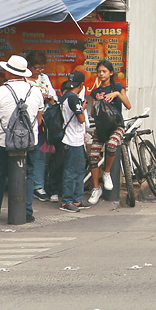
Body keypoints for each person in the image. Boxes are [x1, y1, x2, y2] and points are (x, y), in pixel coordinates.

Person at [0, 55, 43, 223]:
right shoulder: (36, 90)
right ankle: (27, 211)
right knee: (29, 173)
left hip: (3, 142)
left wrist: (9, 136)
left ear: (8, 72)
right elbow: (39, 120)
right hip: (30, 142)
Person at [86, 60, 129, 206]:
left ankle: (107, 173)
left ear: (111, 73)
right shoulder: (95, 92)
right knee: (93, 156)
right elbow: (92, 113)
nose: (101, 74)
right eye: (99, 72)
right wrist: (98, 102)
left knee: (111, 146)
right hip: (101, 128)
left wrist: (117, 94)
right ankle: (96, 188)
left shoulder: (118, 87)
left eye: (104, 71)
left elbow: (128, 105)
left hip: (117, 125)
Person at [23, 50, 58, 202]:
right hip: (27, 123)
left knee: (41, 154)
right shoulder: (24, 80)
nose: (40, 71)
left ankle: (38, 185)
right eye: (37, 68)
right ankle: (26, 184)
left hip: (44, 123)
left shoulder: (44, 78)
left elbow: (54, 96)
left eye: (42, 68)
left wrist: (49, 98)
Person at [55, 71, 88, 213]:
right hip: (72, 139)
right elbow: (81, 119)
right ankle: (67, 201)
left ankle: (77, 199)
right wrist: (84, 108)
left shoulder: (65, 96)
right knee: (71, 171)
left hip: (76, 140)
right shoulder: (73, 99)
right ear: (81, 85)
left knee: (80, 170)